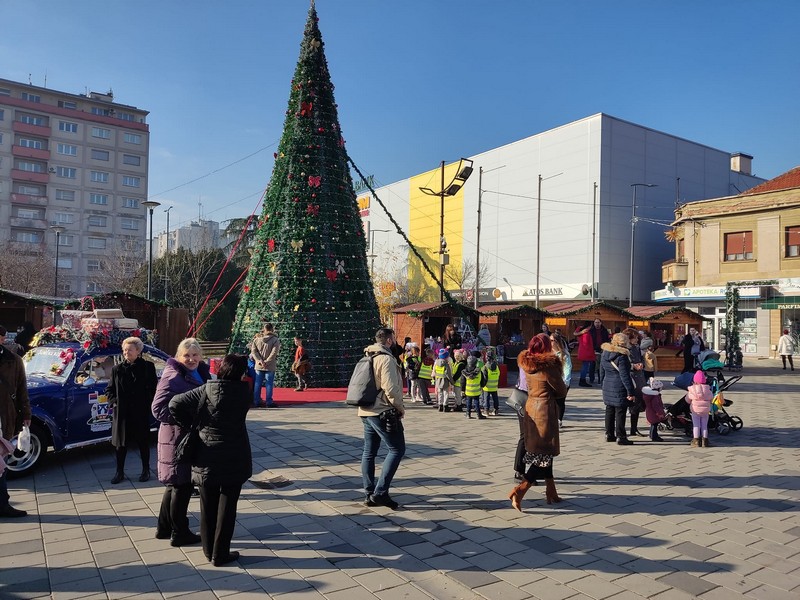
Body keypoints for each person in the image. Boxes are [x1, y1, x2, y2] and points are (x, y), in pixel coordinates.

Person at [170, 354, 252, 566]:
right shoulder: (245, 393)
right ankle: (220, 553)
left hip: (206, 454)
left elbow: (175, 403)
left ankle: (208, 551)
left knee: (208, 504)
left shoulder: (207, 389)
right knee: (228, 505)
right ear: (241, 373)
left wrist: (194, 426)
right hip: (235, 453)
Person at [151, 338, 211, 546]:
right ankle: (180, 532)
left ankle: (163, 527)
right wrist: (188, 420)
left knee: (174, 484)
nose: (191, 359)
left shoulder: (200, 372)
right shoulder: (173, 376)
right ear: (178, 356)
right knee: (181, 485)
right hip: (176, 438)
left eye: (195, 355)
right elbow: (158, 409)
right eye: (187, 355)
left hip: (184, 437)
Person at [509, 333, 568, 510]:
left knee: (543, 452)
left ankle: (551, 491)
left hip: (531, 407)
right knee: (544, 455)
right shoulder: (549, 366)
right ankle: (520, 491)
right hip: (545, 411)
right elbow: (561, 391)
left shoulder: (527, 363)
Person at [358, 328, 405, 510]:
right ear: (388, 340)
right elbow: (391, 389)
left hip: (365, 409)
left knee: (369, 452)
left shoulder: (367, 356)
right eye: (392, 338)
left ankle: (369, 493)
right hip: (382, 410)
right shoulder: (385, 359)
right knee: (397, 449)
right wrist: (400, 407)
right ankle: (380, 493)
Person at [106, 337, 158, 484]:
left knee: (143, 442)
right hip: (122, 413)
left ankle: (146, 470)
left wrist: (148, 403)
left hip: (140, 411)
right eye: (124, 350)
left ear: (138, 351)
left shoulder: (148, 367)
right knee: (120, 445)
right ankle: (119, 472)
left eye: (129, 350)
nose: (126, 352)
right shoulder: (117, 369)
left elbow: (153, 388)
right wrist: (113, 402)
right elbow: (110, 389)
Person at [0, 337, 30, 518]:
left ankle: (3, 503)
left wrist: (26, 414)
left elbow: (22, 390)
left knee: (1, 463)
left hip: (3, 417)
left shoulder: (14, 360)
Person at [601, 332, 637, 446]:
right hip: (619, 385)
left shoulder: (605, 353)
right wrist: (630, 391)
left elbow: (601, 371)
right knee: (620, 411)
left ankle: (609, 434)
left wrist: (603, 384)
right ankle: (621, 437)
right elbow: (625, 376)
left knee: (609, 410)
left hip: (607, 383)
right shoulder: (622, 356)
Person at [250, 323, 280, 408]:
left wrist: (259, 361)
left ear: (264, 329)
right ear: (272, 329)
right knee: (269, 383)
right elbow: (274, 352)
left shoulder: (257, 339)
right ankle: (269, 402)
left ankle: (256, 401)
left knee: (257, 383)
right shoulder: (275, 340)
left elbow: (254, 351)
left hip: (258, 365)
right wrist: (267, 361)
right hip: (269, 365)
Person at [624, 328, 647, 438]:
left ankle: (634, 428)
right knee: (628, 404)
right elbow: (624, 364)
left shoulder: (637, 347)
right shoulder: (625, 349)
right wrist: (634, 366)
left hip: (639, 378)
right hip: (631, 378)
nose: (637, 339)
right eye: (635, 338)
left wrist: (642, 364)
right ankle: (623, 428)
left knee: (637, 404)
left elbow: (641, 359)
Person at [550, 331, 572, 428]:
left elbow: (568, 368)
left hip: (562, 382)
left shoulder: (564, 355)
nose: (550, 342)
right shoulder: (548, 353)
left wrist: (565, 382)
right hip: (550, 382)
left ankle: (559, 420)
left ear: (557, 342)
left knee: (560, 402)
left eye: (552, 340)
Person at [687, 370, 713, 448]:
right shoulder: (708, 390)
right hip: (705, 411)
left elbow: (687, 400)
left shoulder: (692, 390)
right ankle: (705, 441)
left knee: (696, 425)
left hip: (695, 411)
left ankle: (696, 441)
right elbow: (711, 398)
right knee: (704, 425)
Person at [642, 378, 666, 442]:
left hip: (650, 412)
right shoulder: (655, 396)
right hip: (654, 413)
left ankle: (652, 435)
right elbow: (656, 406)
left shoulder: (650, 395)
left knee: (653, 424)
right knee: (654, 425)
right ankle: (654, 436)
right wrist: (660, 413)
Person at [574, 321, 595, 387]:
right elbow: (586, 343)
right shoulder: (586, 333)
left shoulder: (581, 331)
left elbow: (575, 333)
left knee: (585, 366)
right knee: (585, 366)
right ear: (589, 326)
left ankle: (582, 380)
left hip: (582, 351)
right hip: (586, 352)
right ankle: (582, 380)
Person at [482, 351, 501, 416]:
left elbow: (484, 378)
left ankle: (486, 411)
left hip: (487, 387)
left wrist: (482, 385)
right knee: (495, 399)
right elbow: (498, 374)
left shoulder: (485, 367)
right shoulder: (496, 367)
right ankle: (496, 410)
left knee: (486, 399)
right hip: (494, 386)